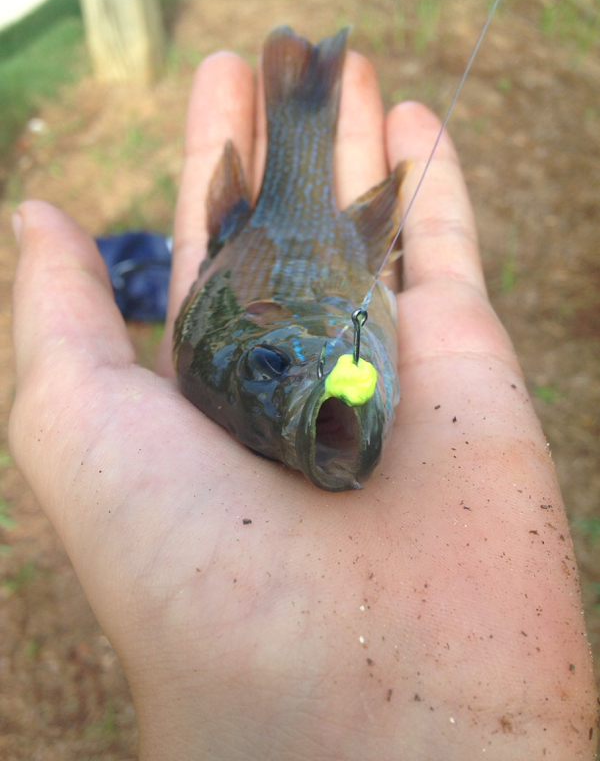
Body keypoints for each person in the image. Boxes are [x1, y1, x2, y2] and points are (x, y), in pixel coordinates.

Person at [10, 49, 598, 760]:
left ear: (280, 322)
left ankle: (301, 101)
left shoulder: (303, 331)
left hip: (262, 257)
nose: (293, 396)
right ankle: (305, 95)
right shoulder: (316, 389)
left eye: (273, 365)